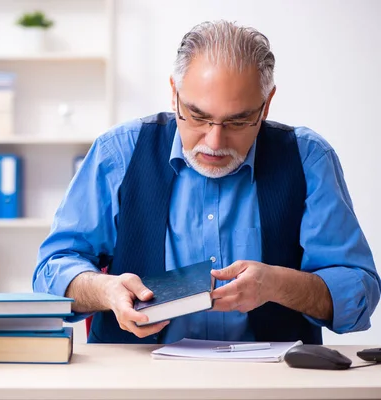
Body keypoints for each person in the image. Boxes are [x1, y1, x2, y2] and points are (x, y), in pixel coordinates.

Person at [32, 20, 381, 344]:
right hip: (138, 382)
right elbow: (51, 274)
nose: (214, 142)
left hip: (273, 383)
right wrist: (105, 290)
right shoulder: (118, 153)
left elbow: (360, 293)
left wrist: (278, 285)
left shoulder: (309, 158)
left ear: (266, 104)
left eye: (239, 121)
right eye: (198, 116)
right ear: (174, 93)